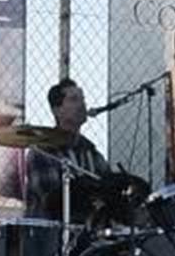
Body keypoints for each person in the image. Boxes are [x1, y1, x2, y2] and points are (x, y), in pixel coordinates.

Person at [24, 79, 111, 222]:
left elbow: (109, 187)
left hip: (86, 237)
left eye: (82, 99)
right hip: (48, 237)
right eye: (73, 100)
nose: (82, 105)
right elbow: (53, 201)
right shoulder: (42, 151)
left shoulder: (90, 152)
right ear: (56, 110)